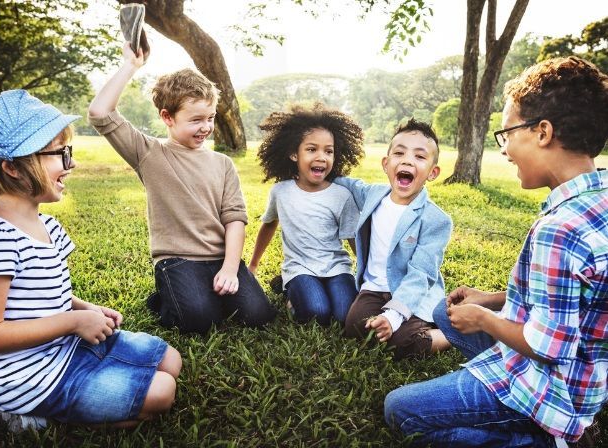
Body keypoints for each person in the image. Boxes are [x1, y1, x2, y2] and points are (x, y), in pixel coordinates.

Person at [384, 57, 608, 447]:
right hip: (587, 375)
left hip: (550, 387)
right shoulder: (597, 198)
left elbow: (548, 346)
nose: (504, 150)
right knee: (443, 313)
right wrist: (491, 299)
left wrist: (486, 319)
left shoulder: (560, 230)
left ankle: (547, 439)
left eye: (506, 134)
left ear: (542, 132)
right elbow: (577, 294)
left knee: (402, 411)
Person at [0, 90, 181, 431]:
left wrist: (83, 308)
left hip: (67, 347)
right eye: (60, 154)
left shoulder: (48, 225)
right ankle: (34, 417)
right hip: (31, 377)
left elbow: (44, 295)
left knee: (171, 361)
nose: (71, 163)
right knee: (162, 392)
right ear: (13, 167)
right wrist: (72, 323)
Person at [88, 43, 276, 335]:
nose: (206, 127)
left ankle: (206, 292)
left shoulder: (223, 163)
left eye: (210, 118)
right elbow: (100, 113)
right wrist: (131, 66)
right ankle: (165, 297)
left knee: (259, 315)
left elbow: (235, 219)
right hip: (177, 260)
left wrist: (229, 268)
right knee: (199, 321)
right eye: (196, 120)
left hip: (219, 257)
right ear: (167, 117)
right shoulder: (148, 153)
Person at [334, 119, 452, 359]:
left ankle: (448, 333)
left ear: (433, 172)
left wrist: (393, 315)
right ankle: (395, 324)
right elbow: (345, 182)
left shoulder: (436, 220)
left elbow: (421, 274)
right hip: (374, 289)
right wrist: (317, 171)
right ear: (386, 164)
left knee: (402, 341)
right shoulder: (373, 195)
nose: (407, 160)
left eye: (420, 157)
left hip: (413, 292)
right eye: (399, 153)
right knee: (355, 327)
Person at [247, 104, 363, 325]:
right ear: (293, 153)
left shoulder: (341, 195)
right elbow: (269, 224)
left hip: (337, 267)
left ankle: (293, 289)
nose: (322, 157)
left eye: (328, 151)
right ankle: (291, 292)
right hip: (300, 267)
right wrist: (253, 265)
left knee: (343, 316)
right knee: (316, 312)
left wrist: (368, 274)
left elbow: (352, 237)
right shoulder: (281, 192)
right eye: (312, 149)